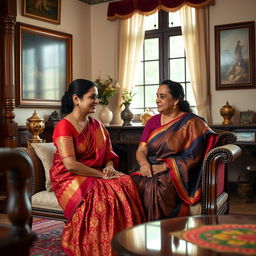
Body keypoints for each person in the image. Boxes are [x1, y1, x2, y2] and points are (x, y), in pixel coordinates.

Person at [50, 79, 145, 256]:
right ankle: (99, 246)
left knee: (126, 182)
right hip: (68, 176)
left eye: (97, 97)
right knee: (103, 194)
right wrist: (101, 175)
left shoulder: (97, 126)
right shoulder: (64, 126)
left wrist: (108, 168)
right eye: (92, 97)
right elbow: (70, 164)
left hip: (95, 173)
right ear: (76, 99)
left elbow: (108, 155)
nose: (96, 101)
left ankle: (128, 243)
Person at [131, 80, 218, 221]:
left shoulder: (191, 122)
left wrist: (165, 166)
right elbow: (141, 150)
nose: (157, 100)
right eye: (157, 96)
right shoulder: (153, 121)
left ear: (176, 100)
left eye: (162, 96)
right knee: (132, 183)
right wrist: (143, 164)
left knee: (156, 189)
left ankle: (161, 230)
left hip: (177, 172)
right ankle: (137, 232)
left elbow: (194, 156)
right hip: (150, 167)